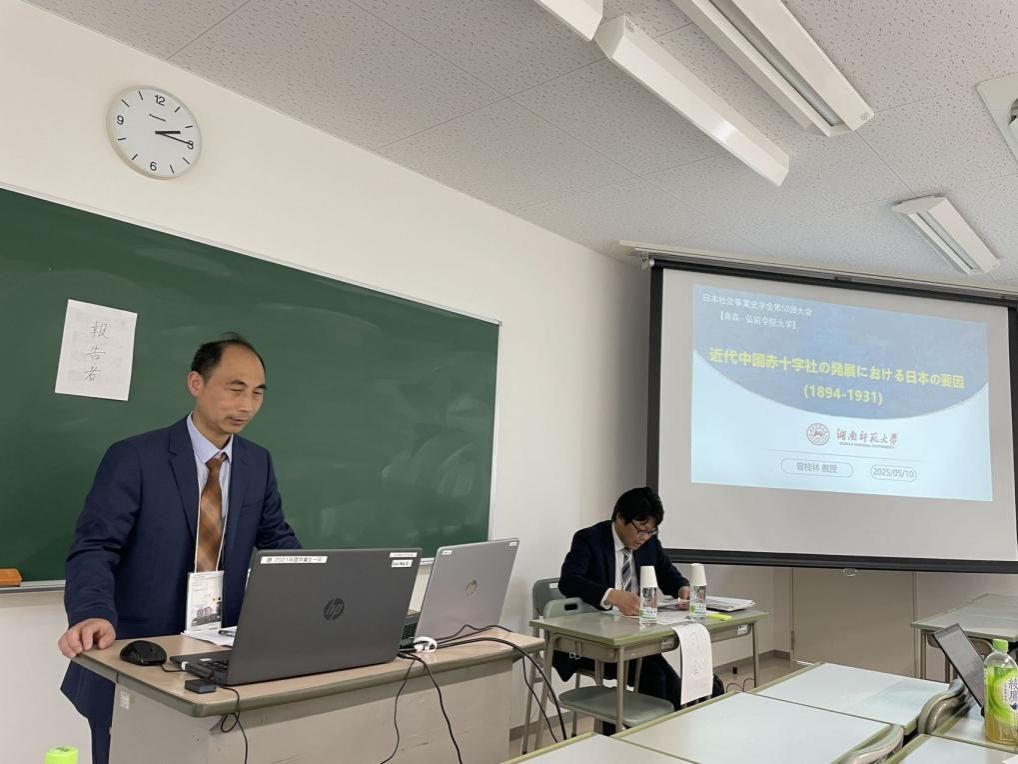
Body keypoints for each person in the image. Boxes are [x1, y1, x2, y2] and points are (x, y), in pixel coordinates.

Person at [57, 334, 301, 764]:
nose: (246, 405)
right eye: (235, 388)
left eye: (257, 393)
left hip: (219, 658)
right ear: (196, 383)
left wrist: (320, 595)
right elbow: (95, 547)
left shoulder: (257, 462)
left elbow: (277, 541)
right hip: (137, 653)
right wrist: (91, 612)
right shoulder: (135, 457)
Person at [556, 486, 720, 733]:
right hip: (597, 642)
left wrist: (683, 589)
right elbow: (569, 581)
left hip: (635, 638)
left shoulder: (650, 545)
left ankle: (658, 735)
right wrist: (612, 595)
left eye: (651, 531)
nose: (645, 537)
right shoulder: (589, 539)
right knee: (657, 678)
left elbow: (668, 574)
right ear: (620, 517)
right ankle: (642, 736)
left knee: (669, 682)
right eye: (641, 529)